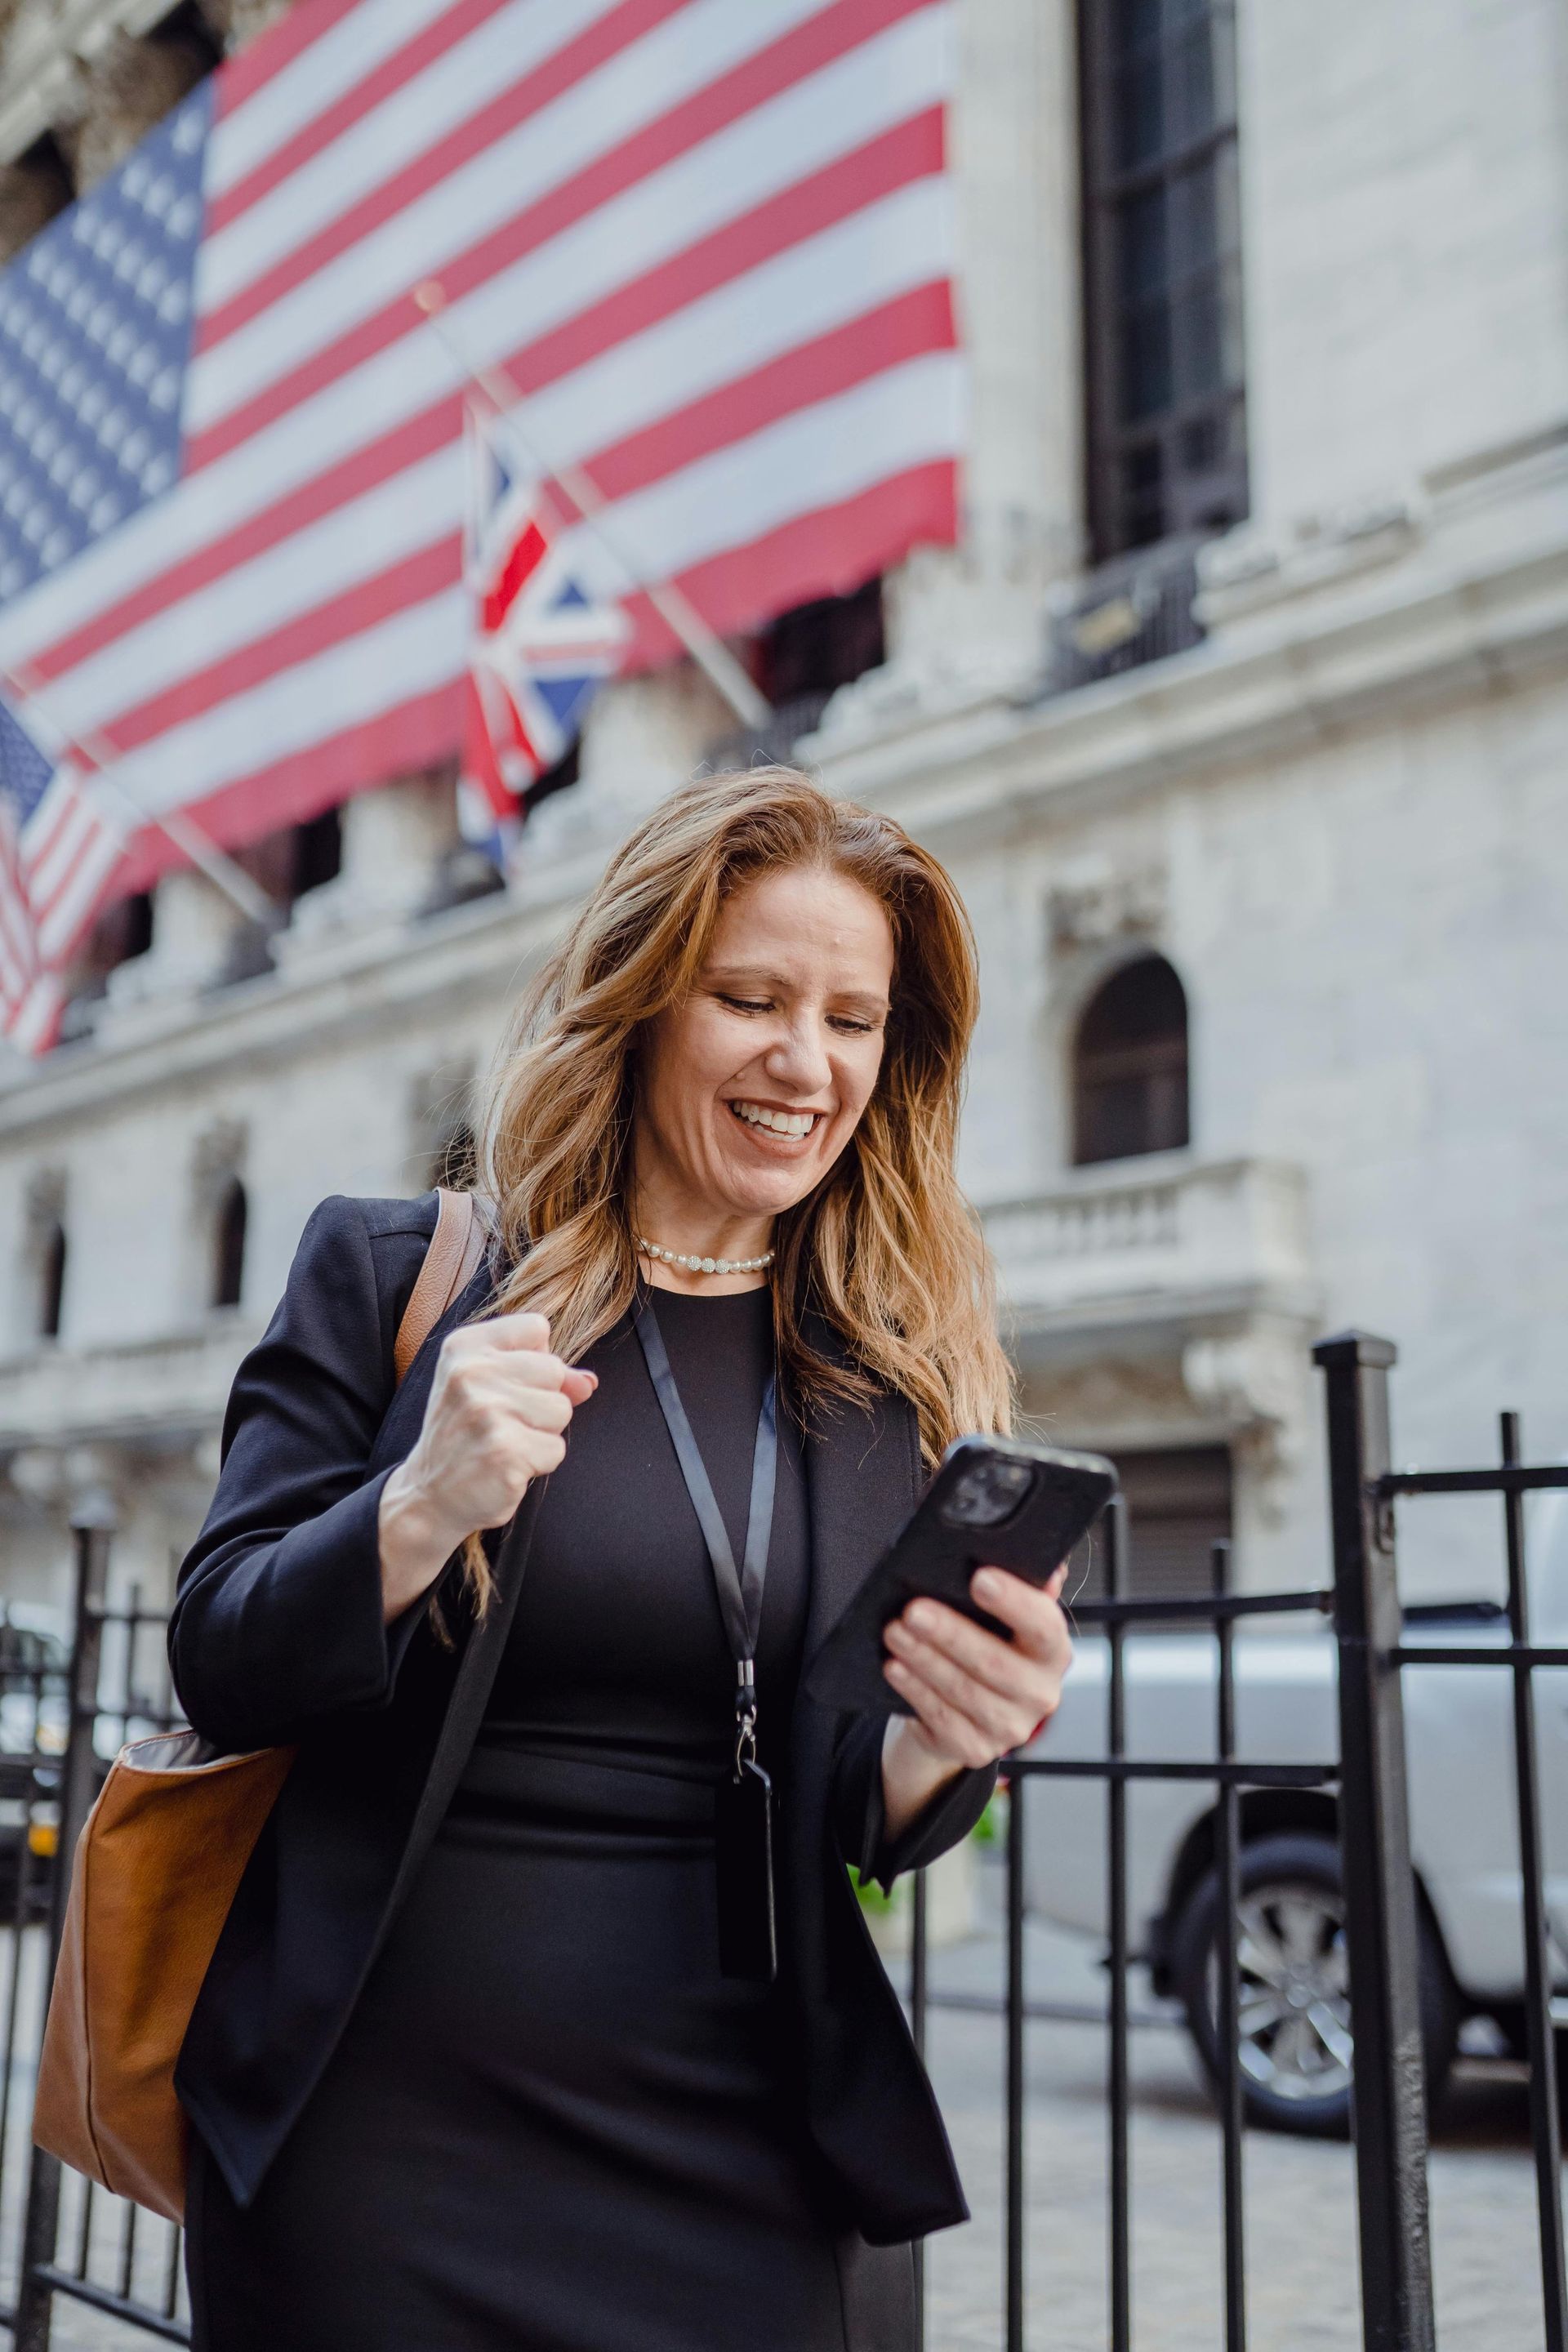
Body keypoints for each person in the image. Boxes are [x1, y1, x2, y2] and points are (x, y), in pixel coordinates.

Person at [170, 766, 1074, 2352]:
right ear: (649, 1000)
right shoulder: (399, 1276)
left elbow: (863, 1803)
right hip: (383, 2155)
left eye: (853, 1019)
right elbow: (220, 1657)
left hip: (748, 2154)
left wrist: (954, 1736)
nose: (806, 1060)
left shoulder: (883, 1383)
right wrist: (416, 1506)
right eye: (751, 998)